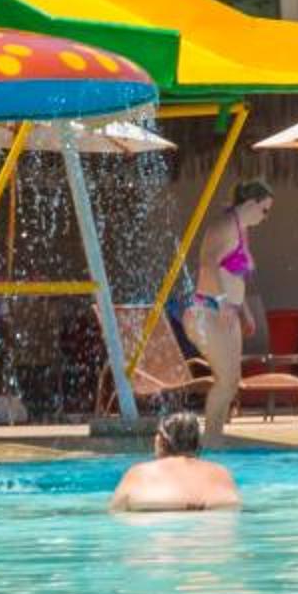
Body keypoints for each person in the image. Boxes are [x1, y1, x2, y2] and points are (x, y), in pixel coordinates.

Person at [183, 178, 276, 447]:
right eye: (264, 210)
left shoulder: (241, 229)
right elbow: (207, 262)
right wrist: (223, 300)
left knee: (232, 382)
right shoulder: (224, 226)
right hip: (207, 311)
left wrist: (244, 310)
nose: (265, 217)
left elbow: (234, 274)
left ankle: (215, 439)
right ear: (251, 203)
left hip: (226, 313)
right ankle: (209, 442)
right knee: (225, 381)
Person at [110, 411, 242, 513]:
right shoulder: (222, 472)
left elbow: (115, 510)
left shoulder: (139, 472)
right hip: (214, 533)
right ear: (197, 443)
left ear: (160, 441)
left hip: (159, 529)